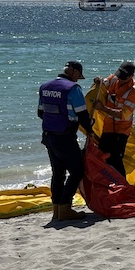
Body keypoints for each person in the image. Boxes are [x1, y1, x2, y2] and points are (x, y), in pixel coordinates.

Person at [38, 60, 93, 222]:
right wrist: (91, 131)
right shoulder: (73, 89)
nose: (77, 79)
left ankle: (56, 209)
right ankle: (65, 207)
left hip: (49, 136)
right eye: (78, 76)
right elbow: (82, 115)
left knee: (58, 173)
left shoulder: (45, 87)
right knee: (77, 171)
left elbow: (40, 113)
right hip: (65, 137)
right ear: (74, 72)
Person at [92, 61, 135, 182]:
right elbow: (103, 84)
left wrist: (103, 108)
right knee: (102, 157)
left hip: (121, 131)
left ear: (131, 76)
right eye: (119, 76)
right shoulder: (114, 79)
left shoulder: (134, 92)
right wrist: (97, 81)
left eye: (123, 78)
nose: (120, 79)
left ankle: (123, 186)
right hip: (107, 128)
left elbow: (123, 114)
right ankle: (106, 184)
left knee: (116, 160)